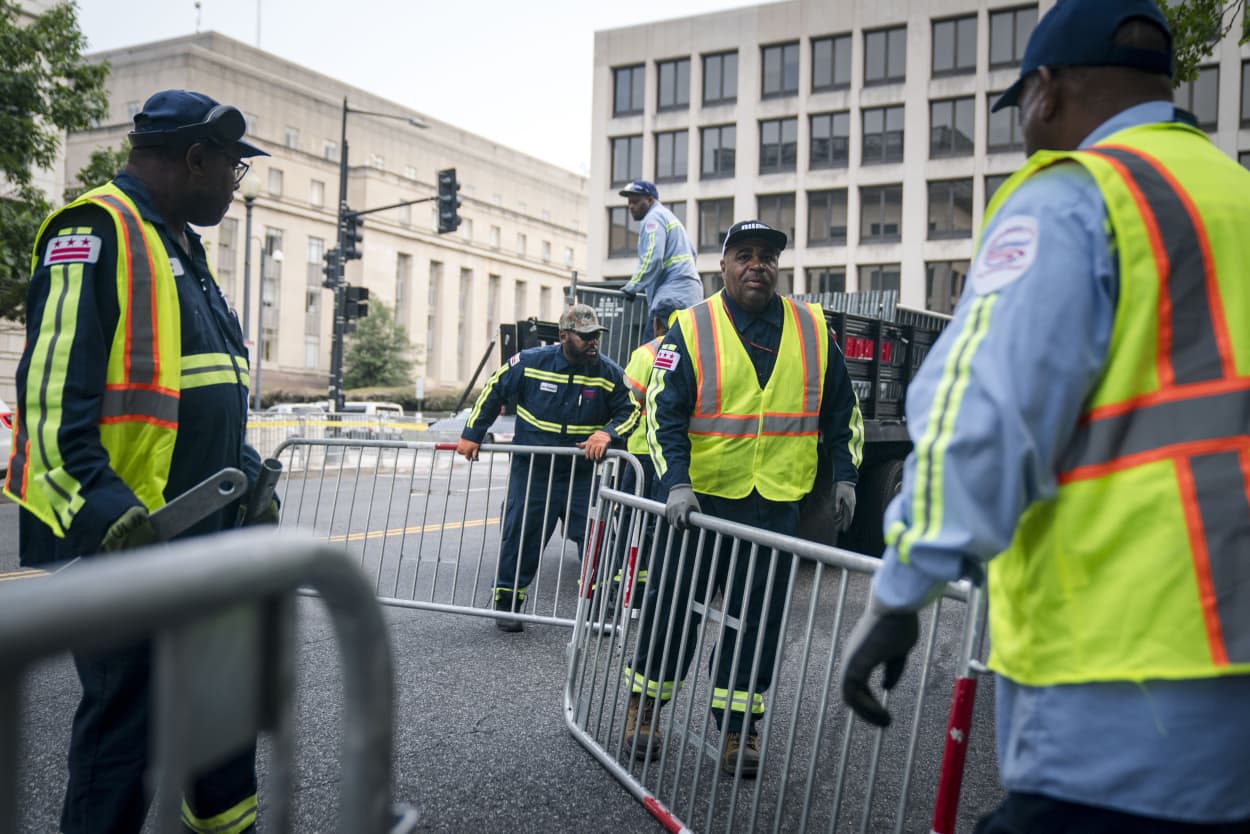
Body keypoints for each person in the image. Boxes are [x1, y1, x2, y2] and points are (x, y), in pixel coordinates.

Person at [839, 2, 1250, 831]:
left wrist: (900, 593)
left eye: (1019, 106)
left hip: (1123, 667)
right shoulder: (1232, 196)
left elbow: (981, 418)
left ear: (1047, 91)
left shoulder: (1074, 197)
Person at [3, 90, 274, 834]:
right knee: (124, 744)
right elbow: (52, 406)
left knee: (224, 720)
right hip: (138, 543)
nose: (232, 183)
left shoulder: (179, 245)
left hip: (207, 541)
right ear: (195, 158)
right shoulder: (96, 229)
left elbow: (204, 387)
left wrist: (248, 474)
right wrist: (103, 515)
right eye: (231, 168)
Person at [625, 220, 863, 777]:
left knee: (758, 618)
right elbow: (663, 415)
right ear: (724, 266)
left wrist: (847, 475)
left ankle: (738, 728)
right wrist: (675, 483)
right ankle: (646, 707)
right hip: (701, 504)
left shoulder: (811, 327)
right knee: (672, 605)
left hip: (776, 503)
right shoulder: (692, 326)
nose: (758, 265)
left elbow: (841, 411)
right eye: (745, 255)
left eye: (768, 257)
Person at [457, 303, 640, 632]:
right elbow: (493, 390)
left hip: (583, 474)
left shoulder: (608, 372)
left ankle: (599, 608)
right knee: (521, 535)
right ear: (564, 336)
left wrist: (608, 433)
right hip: (534, 472)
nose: (592, 342)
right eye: (584, 337)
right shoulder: (530, 363)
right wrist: (472, 434)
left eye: (595, 336)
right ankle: (509, 603)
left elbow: (631, 411)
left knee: (597, 540)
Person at [609, 317, 671, 609]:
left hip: (642, 453)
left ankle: (628, 589)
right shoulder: (699, 350)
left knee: (633, 520)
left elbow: (627, 401)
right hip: (675, 454)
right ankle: (652, 589)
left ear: (658, 323)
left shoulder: (647, 353)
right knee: (660, 522)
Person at [617, 180, 703, 332]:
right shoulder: (670, 218)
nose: (631, 206)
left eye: (636, 201)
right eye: (629, 202)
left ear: (650, 200)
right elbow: (693, 253)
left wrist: (632, 287)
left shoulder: (653, 219)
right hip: (691, 296)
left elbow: (653, 257)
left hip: (670, 298)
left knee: (652, 352)